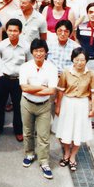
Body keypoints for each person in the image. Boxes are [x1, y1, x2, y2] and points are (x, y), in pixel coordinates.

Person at [19, 38, 58, 179]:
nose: (39, 54)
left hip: (44, 106)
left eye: (41, 51)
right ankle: (29, 154)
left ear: (46, 52)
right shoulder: (25, 67)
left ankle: (44, 161)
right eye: (36, 51)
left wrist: (33, 89)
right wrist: (42, 87)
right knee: (28, 132)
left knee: (43, 135)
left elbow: (52, 91)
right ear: (32, 52)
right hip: (27, 103)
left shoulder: (52, 68)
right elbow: (24, 88)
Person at [55, 47, 94, 172]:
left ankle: (73, 157)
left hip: (82, 105)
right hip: (68, 103)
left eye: (82, 60)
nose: (79, 63)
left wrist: (93, 108)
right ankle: (66, 153)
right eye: (77, 60)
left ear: (86, 61)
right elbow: (61, 91)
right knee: (66, 131)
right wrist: (58, 106)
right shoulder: (66, 72)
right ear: (73, 59)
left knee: (79, 132)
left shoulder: (91, 74)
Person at [0, 18, 31, 141]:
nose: (12, 33)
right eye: (10, 30)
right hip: (4, 78)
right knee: (0, 104)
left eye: (15, 31)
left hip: (19, 80)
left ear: (20, 32)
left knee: (19, 106)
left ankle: (18, 130)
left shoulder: (26, 46)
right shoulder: (1, 45)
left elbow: (29, 63)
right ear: (6, 31)